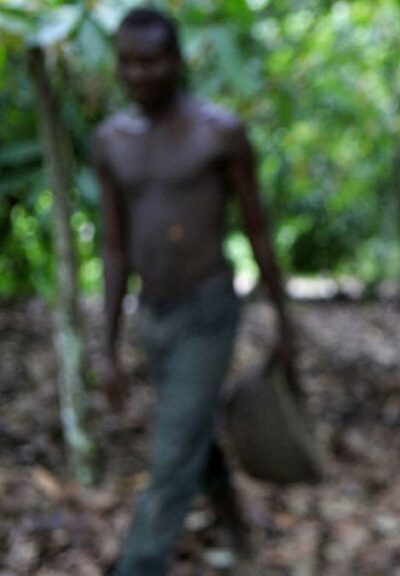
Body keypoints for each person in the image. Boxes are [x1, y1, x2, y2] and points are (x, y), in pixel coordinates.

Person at [92, 8, 292, 575]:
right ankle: (234, 526)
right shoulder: (111, 141)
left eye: (151, 60)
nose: (139, 73)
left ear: (178, 61)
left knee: (173, 448)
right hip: (152, 314)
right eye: (127, 62)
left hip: (207, 311)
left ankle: (140, 563)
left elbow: (258, 231)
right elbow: (113, 247)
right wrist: (107, 347)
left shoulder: (218, 133)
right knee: (190, 431)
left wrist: (284, 323)